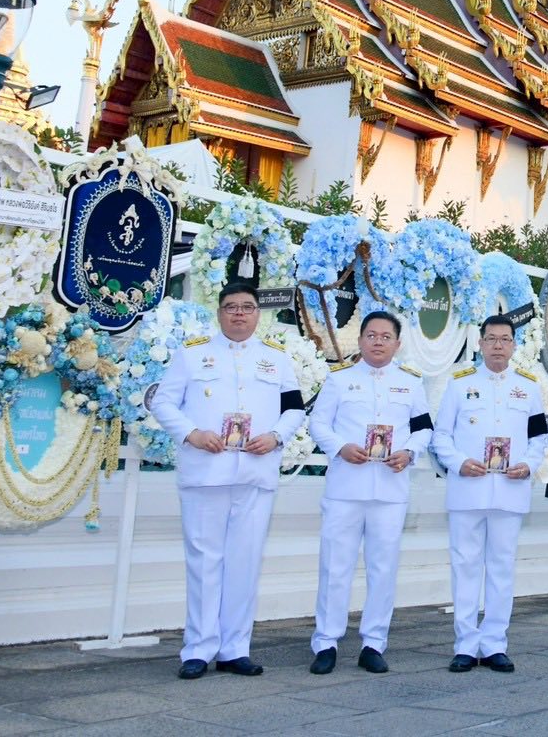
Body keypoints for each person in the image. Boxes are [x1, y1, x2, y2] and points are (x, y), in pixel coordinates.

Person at [150, 281, 305, 680]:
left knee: (244, 562)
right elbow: (163, 402)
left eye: (247, 307)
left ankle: (235, 648)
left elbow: (294, 409)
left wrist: (275, 437)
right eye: (231, 307)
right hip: (206, 473)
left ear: (258, 313)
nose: (239, 313)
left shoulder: (277, 359)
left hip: (255, 474)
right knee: (204, 562)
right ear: (219, 313)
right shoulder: (191, 355)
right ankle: (198, 649)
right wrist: (191, 433)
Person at [307, 312, 432, 675]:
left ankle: (374, 642)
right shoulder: (339, 380)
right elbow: (318, 422)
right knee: (335, 565)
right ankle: (326, 642)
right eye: (371, 335)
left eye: (386, 336)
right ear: (360, 340)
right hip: (346, 485)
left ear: (397, 343)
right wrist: (339, 446)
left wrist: (409, 452)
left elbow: (424, 429)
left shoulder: (410, 383)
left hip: (390, 489)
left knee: (383, 567)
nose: (378, 341)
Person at [431, 315, 548, 674]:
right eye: (491, 339)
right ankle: (466, 645)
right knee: (465, 567)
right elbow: (441, 437)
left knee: (501, 568)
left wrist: (528, 465)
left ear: (514, 345)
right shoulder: (458, 383)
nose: (498, 345)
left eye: (505, 339)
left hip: (509, 491)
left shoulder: (529, 388)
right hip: (468, 489)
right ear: (480, 343)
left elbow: (538, 439)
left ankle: (495, 643)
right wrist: (459, 462)